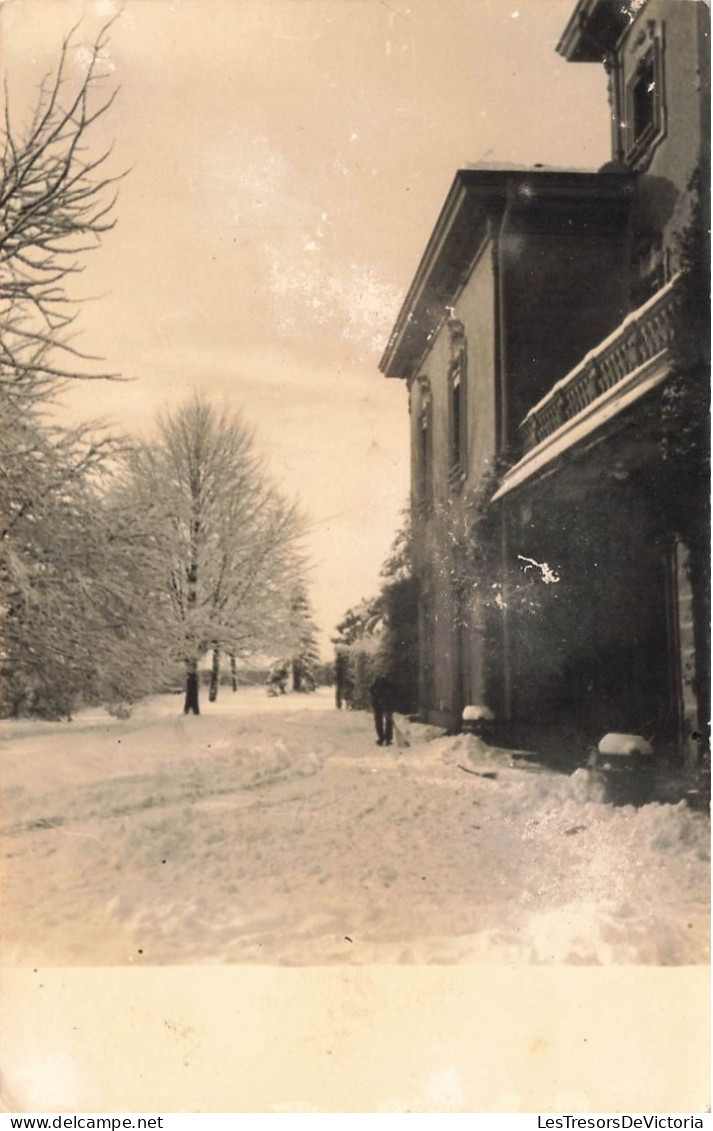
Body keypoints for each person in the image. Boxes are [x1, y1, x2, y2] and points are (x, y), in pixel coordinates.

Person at [370, 674, 398, 746]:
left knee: (386, 720)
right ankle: (383, 738)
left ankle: (385, 738)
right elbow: (372, 691)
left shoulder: (390, 687)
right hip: (378, 704)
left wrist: (387, 706)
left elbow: (392, 696)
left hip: (387, 703)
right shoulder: (377, 686)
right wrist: (378, 699)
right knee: (381, 721)